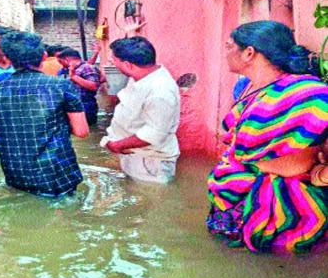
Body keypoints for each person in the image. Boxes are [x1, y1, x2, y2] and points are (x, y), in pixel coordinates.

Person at [207, 20, 328, 253]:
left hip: (286, 203)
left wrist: (252, 163)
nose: (226, 52)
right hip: (234, 192)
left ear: (249, 53)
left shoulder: (307, 94)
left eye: (229, 46)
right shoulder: (244, 88)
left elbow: (298, 159)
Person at [0, 31, 89, 197]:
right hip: (58, 175)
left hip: (17, 175)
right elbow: (81, 131)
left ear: (7, 59)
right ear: (44, 56)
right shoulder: (62, 86)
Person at [100, 36, 180, 183]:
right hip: (135, 155)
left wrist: (116, 145)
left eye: (114, 61)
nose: (112, 65)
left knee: (151, 201)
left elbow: (154, 134)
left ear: (128, 65)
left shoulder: (160, 91)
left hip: (151, 163)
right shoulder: (140, 75)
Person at [57, 48, 101, 125]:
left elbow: (94, 86)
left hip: (86, 107)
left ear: (67, 59)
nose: (60, 64)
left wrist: (74, 77)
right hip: (69, 107)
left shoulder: (87, 68)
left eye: (61, 61)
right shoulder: (63, 70)